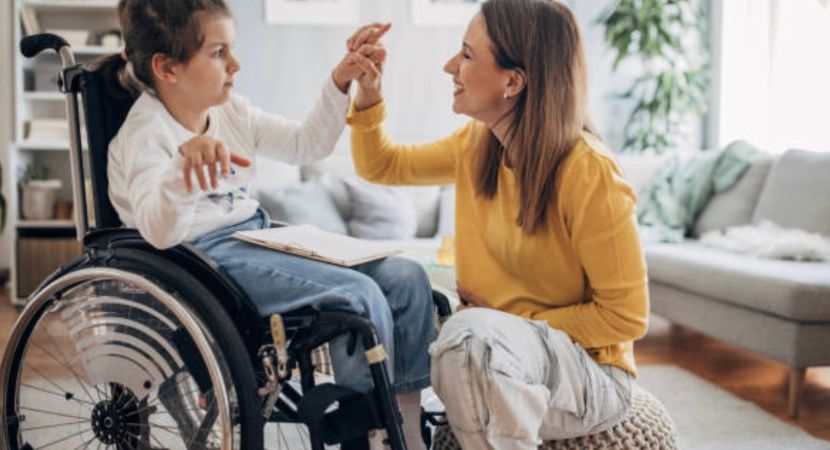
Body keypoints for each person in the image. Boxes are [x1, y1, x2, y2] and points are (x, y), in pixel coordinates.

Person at [106, 1, 434, 448]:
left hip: (256, 236)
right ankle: (367, 434)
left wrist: (341, 82)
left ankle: (405, 429)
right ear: (168, 68)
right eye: (219, 52)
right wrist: (182, 175)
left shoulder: (231, 113)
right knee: (356, 296)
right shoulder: (145, 135)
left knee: (406, 278)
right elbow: (158, 233)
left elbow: (307, 144)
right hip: (205, 259)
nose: (235, 65)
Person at [346, 0, 649, 448]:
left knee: (470, 339)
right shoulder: (478, 144)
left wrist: (508, 320)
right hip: (494, 354)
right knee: (425, 323)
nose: (450, 66)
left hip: (590, 374)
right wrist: (368, 92)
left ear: (513, 81)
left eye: (467, 55)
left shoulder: (589, 172)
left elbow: (626, 316)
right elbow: (384, 165)